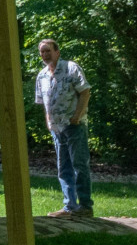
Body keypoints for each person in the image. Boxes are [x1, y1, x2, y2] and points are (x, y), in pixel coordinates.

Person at [32, 36, 94, 217]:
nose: (45, 55)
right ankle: (69, 207)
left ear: (57, 52)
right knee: (63, 167)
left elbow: (85, 92)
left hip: (74, 125)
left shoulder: (71, 68)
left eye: (48, 51)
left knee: (79, 165)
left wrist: (76, 116)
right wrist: (48, 122)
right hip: (56, 128)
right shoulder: (42, 75)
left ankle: (85, 206)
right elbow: (44, 102)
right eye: (42, 52)